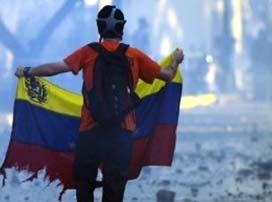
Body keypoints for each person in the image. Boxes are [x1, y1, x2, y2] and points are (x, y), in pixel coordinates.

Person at [15, 5, 184, 202]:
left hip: (91, 131)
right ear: (122, 28)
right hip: (122, 132)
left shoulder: (88, 52)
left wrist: (27, 71)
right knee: (114, 189)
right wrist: (176, 61)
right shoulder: (134, 55)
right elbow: (167, 76)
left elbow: (56, 68)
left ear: (99, 27)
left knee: (84, 184)